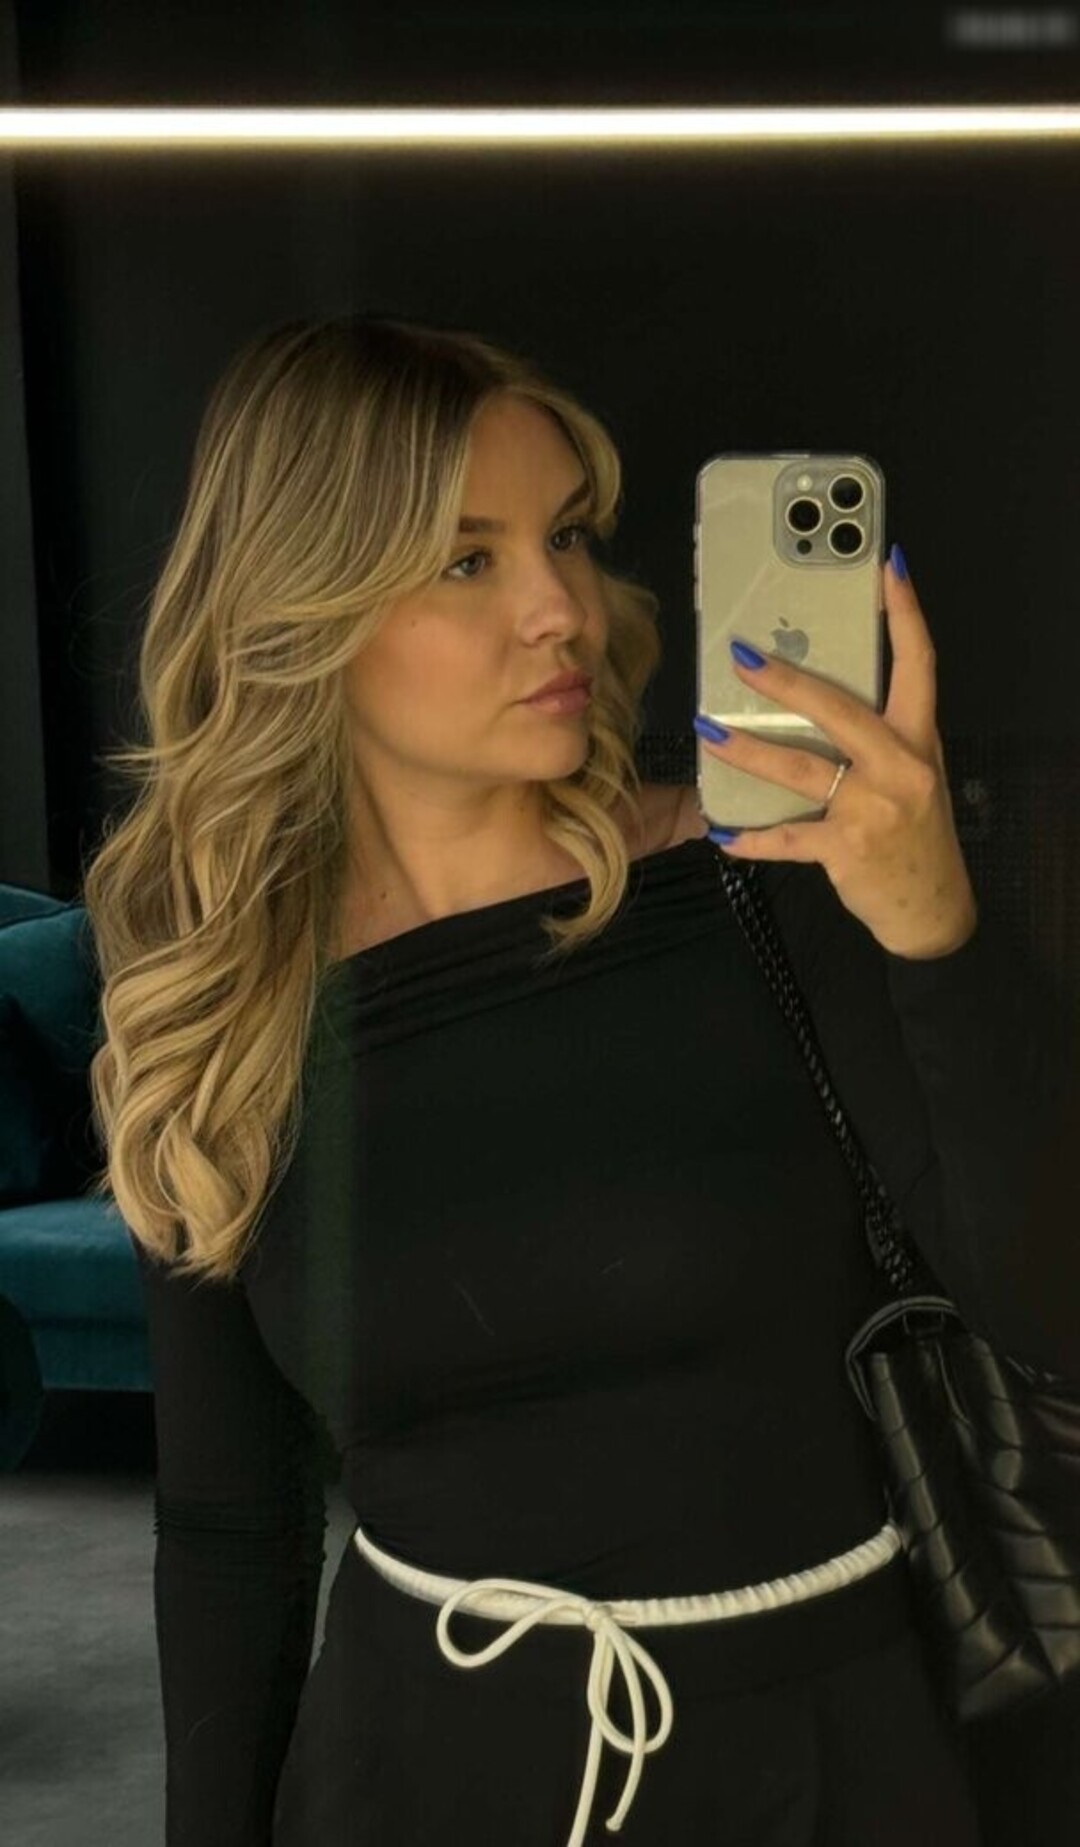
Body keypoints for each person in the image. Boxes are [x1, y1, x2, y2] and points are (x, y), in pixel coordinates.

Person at [80, 311, 1079, 1845]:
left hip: (831, 1767)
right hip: (411, 1783)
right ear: (302, 606)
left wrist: (937, 929)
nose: (561, 608)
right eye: (466, 560)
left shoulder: (766, 882)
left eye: (564, 537)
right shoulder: (215, 993)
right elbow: (228, 1526)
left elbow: (1047, 1305)